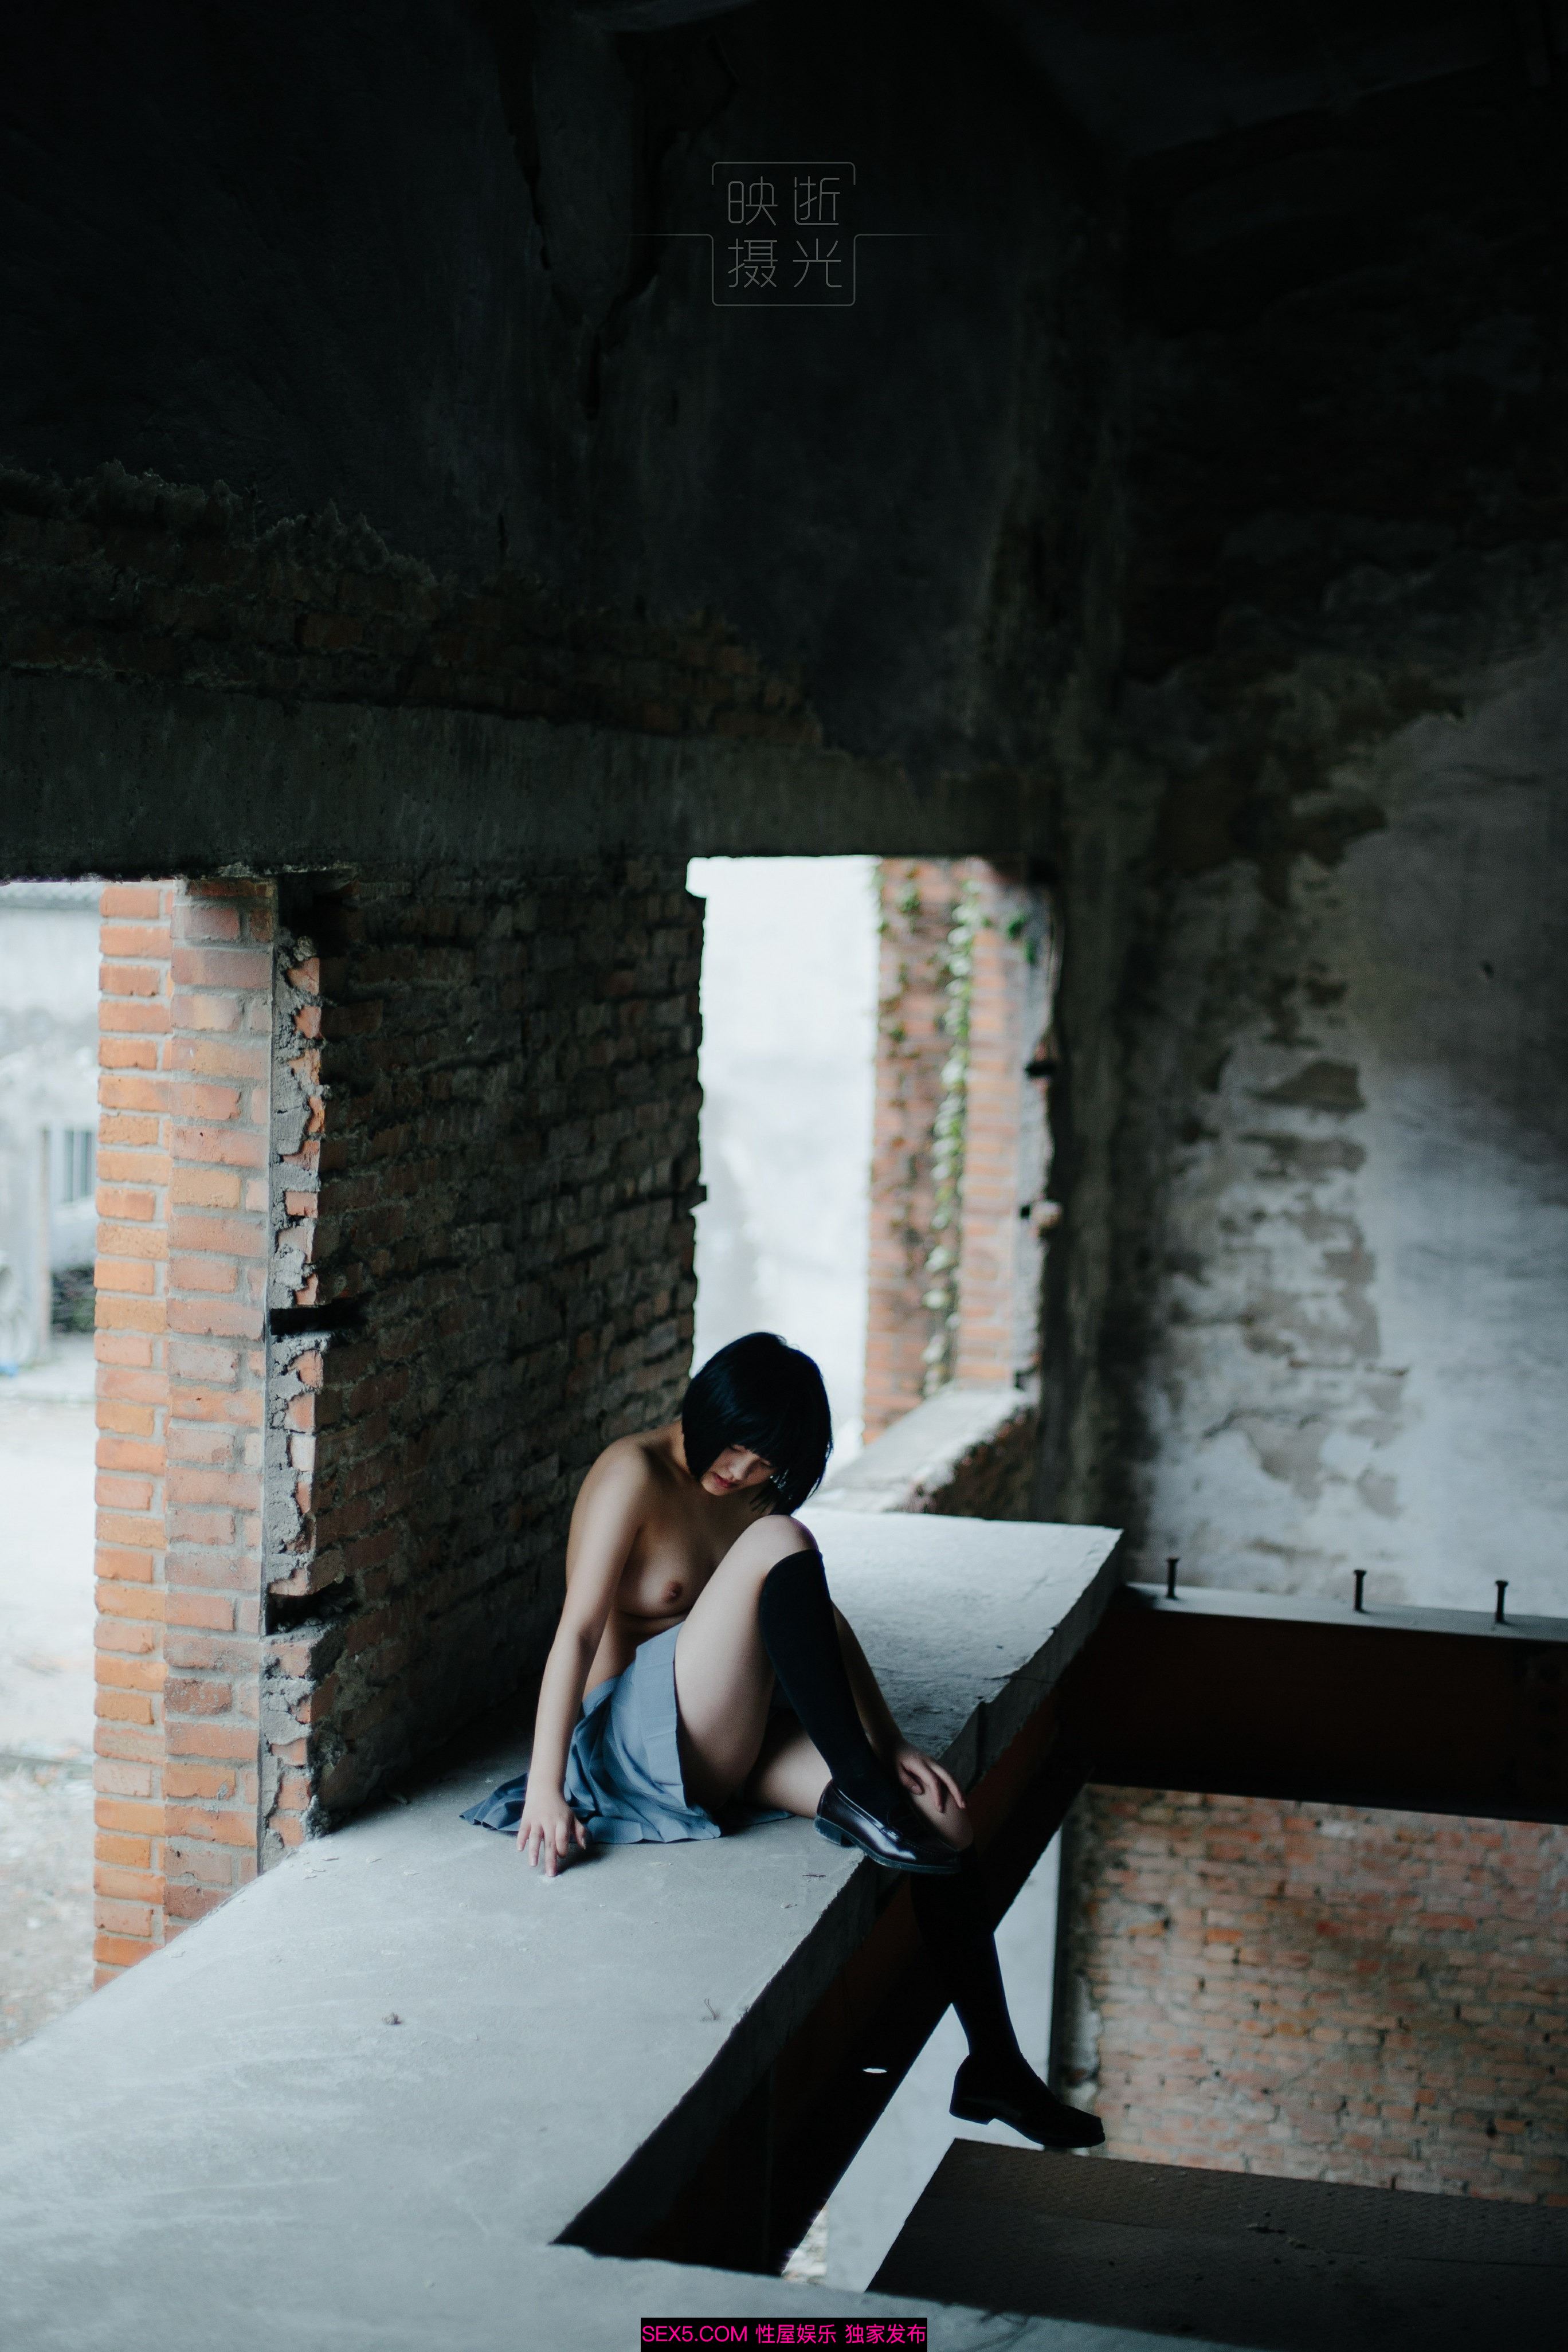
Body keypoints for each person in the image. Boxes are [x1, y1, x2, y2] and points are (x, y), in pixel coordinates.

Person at [464, 1331, 1103, 2150]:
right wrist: (545, 1787)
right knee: (782, 1541)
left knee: (942, 1820)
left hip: (727, 1734)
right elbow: (578, 1631)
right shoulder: (633, 1473)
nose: (737, 1472)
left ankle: (996, 2066)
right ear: (707, 1408)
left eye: (763, 1463)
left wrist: (891, 1742)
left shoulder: (752, 1497)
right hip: (633, 1741)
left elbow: (820, 1623)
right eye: (733, 1447)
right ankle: (860, 1792)